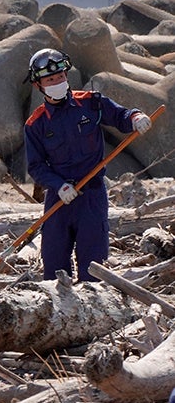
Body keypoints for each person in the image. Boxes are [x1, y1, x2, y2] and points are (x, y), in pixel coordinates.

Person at [23, 48, 151, 282]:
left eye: (61, 76)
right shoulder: (36, 124)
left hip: (91, 196)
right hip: (59, 199)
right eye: (51, 79)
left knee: (94, 269)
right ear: (38, 85)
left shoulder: (91, 103)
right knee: (53, 269)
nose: (58, 82)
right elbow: (36, 167)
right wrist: (59, 186)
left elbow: (121, 116)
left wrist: (135, 118)